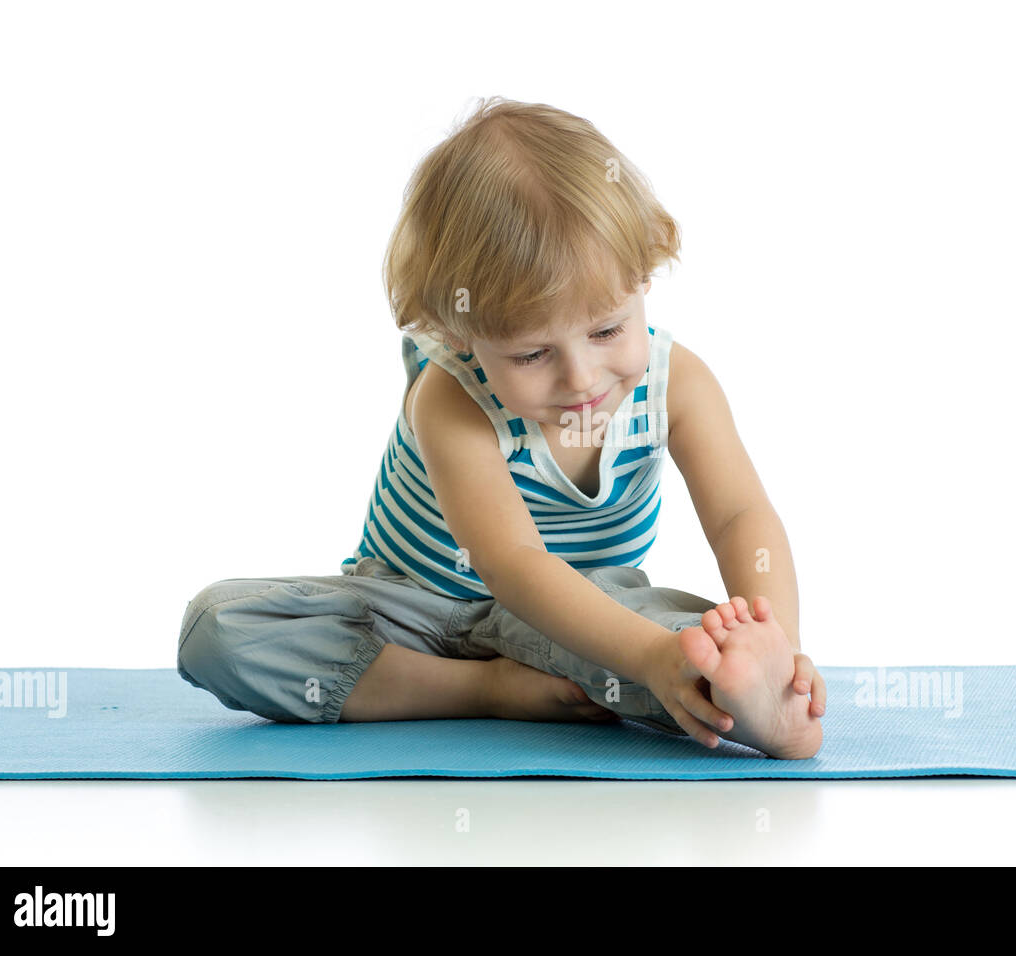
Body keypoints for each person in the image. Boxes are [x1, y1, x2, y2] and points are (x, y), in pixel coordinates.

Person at [177, 96, 827, 759]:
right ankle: (483, 690)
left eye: (606, 330)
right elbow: (513, 566)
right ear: (458, 332)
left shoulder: (677, 384)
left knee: (691, 643)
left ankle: (751, 691)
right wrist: (649, 657)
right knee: (219, 629)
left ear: (644, 278)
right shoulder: (450, 397)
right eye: (531, 354)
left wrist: (776, 636)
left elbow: (740, 514)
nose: (581, 377)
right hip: (413, 613)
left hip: (583, 617)